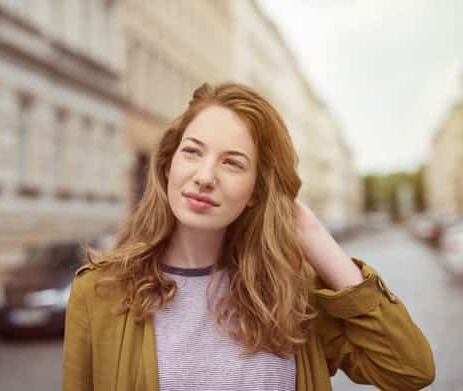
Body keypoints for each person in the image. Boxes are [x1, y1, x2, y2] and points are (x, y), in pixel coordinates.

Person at [62, 82, 435, 391]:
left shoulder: (291, 295)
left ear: (257, 190)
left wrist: (310, 230)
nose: (205, 176)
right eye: (192, 152)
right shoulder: (100, 291)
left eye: (232, 163)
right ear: (168, 164)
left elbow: (409, 369)